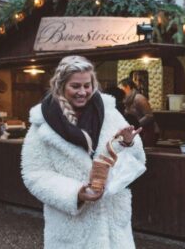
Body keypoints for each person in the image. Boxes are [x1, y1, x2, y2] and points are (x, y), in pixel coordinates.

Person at [21, 56, 146, 249]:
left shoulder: (110, 113)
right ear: (60, 86)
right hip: (72, 230)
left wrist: (127, 143)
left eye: (87, 86)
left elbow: (137, 159)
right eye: (75, 86)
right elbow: (34, 174)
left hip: (113, 228)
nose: (82, 92)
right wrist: (76, 193)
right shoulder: (42, 124)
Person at [118, 77, 158, 147]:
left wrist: (136, 124)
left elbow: (149, 116)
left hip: (146, 132)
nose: (120, 91)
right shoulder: (126, 100)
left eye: (121, 88)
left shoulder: (139, 98)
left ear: (127, 87)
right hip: (134, 132)